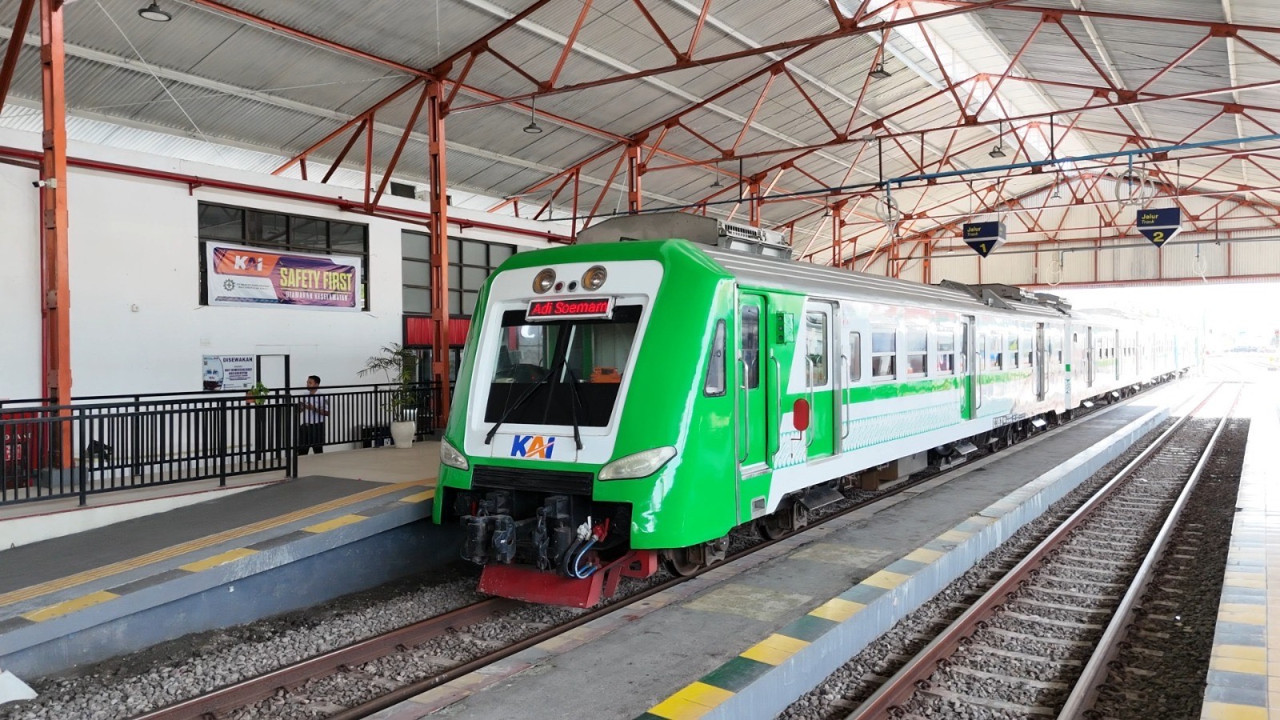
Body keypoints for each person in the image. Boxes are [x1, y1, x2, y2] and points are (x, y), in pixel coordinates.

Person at [297, 375, 330, 455]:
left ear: (316, 385)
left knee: (318, 450)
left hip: (317, 426)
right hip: (305, 426)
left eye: (310, 383)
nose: (307, 384)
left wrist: (313, 408)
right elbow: (299, 410)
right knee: (302, 450)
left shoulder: (323, 396)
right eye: (307, 382)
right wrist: (301, 408)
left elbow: (327, 413)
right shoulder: (304, 394)